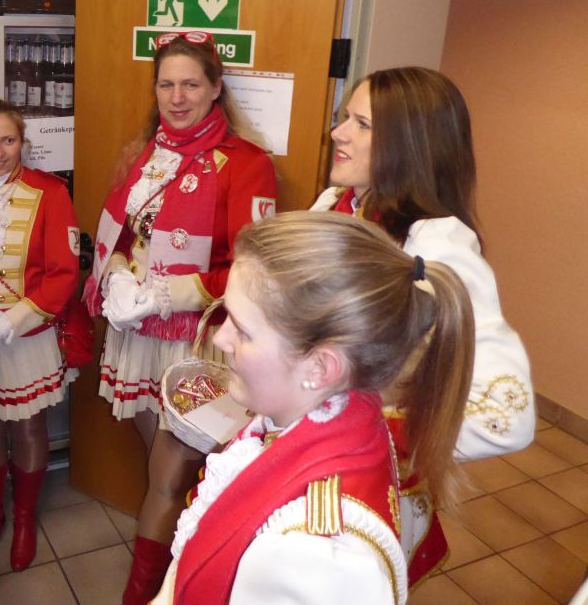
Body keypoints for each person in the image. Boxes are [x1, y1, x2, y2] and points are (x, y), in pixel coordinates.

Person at [152, 211, 476, 604]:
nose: (221, 338)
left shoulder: (312, 556)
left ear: (320, 368)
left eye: (243, 330)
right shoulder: (331, 411)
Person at [311, 66, 534, 585]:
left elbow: (506, 415)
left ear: (409, 146)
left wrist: (364, 429)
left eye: (362, 124)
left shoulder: (436, 244)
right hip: (319, 466)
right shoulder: (340, 205)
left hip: (364, 483)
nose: (337, 133)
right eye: (346, 118)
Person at [83, 31, 277, 605]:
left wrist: (171, 293)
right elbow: (122, 233)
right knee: (162, 464)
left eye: (191, 84)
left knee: (173, 473)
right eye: (166, 84)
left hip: (200, 337)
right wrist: (119, 274)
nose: (176, 97)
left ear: (216, 89)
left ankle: (152, 589)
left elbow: (253, 270)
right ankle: (180, 568)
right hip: (140, 333)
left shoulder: (247, 164)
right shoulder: (145, 153)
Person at [0, 100, 80, 572]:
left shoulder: (51, 191)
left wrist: (12, 321)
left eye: (8, 140)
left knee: (28, 426)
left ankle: (24, 519)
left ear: (23, 142)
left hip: (25, 334)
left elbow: (64, 273)